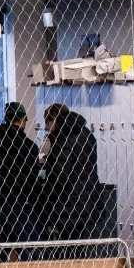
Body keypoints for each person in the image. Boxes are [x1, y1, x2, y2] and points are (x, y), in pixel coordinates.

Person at [40, 103, 102, 243]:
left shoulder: (63, 138)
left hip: (68, 201)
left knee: (67, 244)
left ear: (54, 120)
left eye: (48, 123)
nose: (47, 128)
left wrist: (45, 193)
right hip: (87, 197)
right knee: (78, 242)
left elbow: (60, 174)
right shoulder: (85, 133)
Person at [0, 102, 40, 245]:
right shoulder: (28, 146)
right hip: (21, 202)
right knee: (27, 248)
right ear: (22, 119)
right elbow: (33, 177)